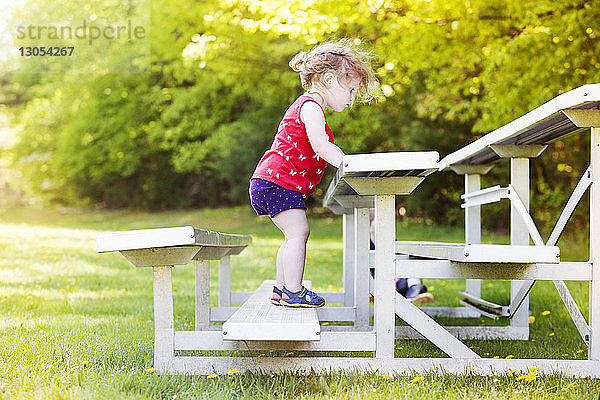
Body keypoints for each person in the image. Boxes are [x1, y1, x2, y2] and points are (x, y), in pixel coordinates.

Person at [249, 38, 379, 308]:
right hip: (277, 182)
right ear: (330, 79)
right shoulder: (311, 107)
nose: (352, 98)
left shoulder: (309, 106)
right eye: (352, 90)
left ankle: (282, 290)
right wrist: (348, 165)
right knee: (299, 233)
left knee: (292, 235)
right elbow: (321, 145)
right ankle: (294, 292)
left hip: (271, 181)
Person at [369, 209, 434, 305]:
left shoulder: (389, 240)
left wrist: (395, 279)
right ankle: (410, 296)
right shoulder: (364, 244)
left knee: (412, 274)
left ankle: (413, 295)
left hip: (396, 280)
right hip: (379, 281)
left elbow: (399, 259)